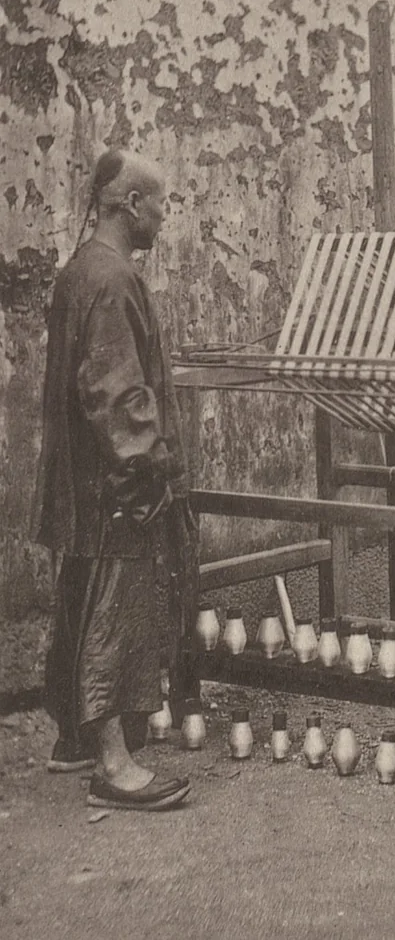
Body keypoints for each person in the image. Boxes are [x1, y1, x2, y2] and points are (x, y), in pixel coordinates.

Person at [34, 150, 194, 811]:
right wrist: (144, 476)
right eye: (161, 203)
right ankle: (114, 767)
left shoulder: (81, 270)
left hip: (79, 481)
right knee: (113, 615)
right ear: (132, 205)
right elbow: (117, 392)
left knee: (80, 601)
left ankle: (73, 739)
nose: (164, 214)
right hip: (111, 485)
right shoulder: (112, 279)